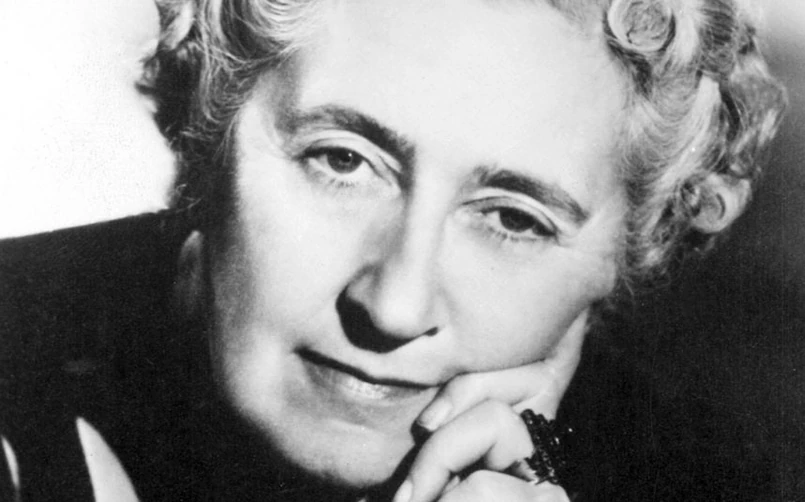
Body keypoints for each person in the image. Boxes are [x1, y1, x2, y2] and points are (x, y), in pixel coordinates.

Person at [0, 0, 786, 500]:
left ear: (630, 252)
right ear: (208, 128)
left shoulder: (694, 477)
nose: (394, 308)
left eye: (512, 220)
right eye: (341, 161)